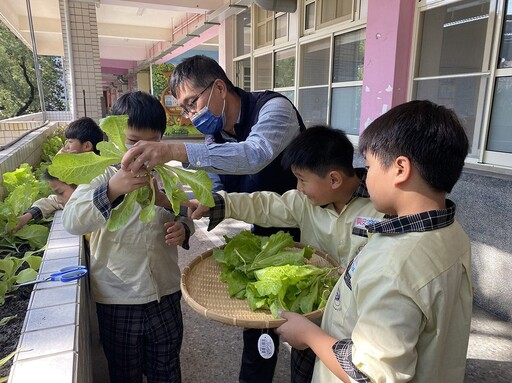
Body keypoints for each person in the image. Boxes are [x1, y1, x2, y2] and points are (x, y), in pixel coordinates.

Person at [121, 55, 306, 383]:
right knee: (259, 319)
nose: (192, 116)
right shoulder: (216, 134)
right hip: (264, 227)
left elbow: (253, 155)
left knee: (306, 321)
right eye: (186, 110)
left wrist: (175, 152)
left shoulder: (274, 109)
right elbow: (219, 181)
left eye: (193, 103)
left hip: (307, 225)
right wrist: (205, 203)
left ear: (219, 87)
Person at [275, 100, 472, 383]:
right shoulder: (452, 233)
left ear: (400, 169)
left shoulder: (395, 266)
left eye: (369, 166)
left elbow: (368, 374)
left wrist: (307, 334)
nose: (364, 176)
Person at [185, 125, 385, 383]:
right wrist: (219, 202)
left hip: (353, 326)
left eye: (303, 180)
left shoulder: (379, 209)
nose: (298, 188)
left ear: (334, 179)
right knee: (302, 375)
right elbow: (265, 205)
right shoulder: (305, 203)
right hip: (310, 314)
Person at [62, 91, 194, 383]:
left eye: (152, 143)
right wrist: (112, 189)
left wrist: (183, 226)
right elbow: (71, 221)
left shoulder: (168, 175)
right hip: (118, 298)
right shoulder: (100, 176)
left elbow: (186, 211)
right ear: (114, 137)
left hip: (166, 293)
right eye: (133, 142)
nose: (141, 152)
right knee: (124, 373)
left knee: (167, 371)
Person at [12, 117, 103, 232]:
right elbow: (56, 200)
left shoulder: (97, 177)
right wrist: (27, 216)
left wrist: (59, 163)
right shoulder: (80, 174)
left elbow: (66, 198)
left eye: (70, 142)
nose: (66, 147)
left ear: (87, 146)